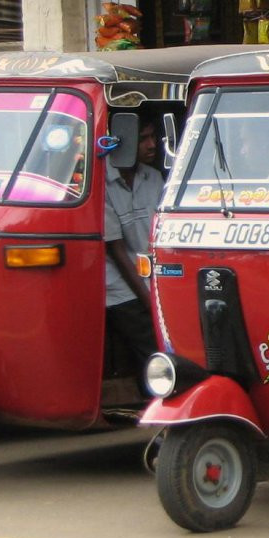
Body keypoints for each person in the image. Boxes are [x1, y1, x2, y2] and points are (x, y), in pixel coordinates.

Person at [104, 118, 163, 391]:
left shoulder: (153, 177)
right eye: (143, 139)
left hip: (152, 275)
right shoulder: (103, 184)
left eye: (153, 137)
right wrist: (150, 301)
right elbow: (117, 251)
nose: (152, 145)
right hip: (120, 283)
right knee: (153, 341)